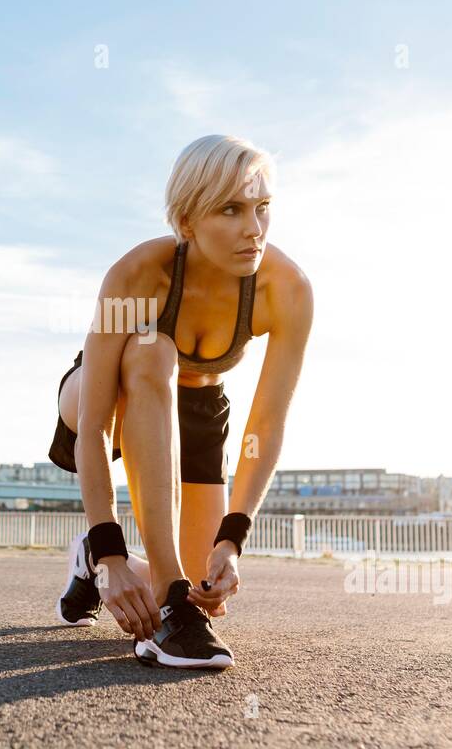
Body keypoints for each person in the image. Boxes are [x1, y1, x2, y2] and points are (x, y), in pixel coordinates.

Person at [48, 134, 313, 669]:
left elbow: (266, 423)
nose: (253, 228)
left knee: (198, 592)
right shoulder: (139, 275)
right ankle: (141, 593)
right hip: (106, 396)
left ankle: (103, 572)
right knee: (153, 350)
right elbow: (96, 425)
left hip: (195, 413)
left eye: (263, 208)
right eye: (232, 210)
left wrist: (231, 542)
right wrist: (112, 549)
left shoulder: (286, 289)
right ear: (187, 221)